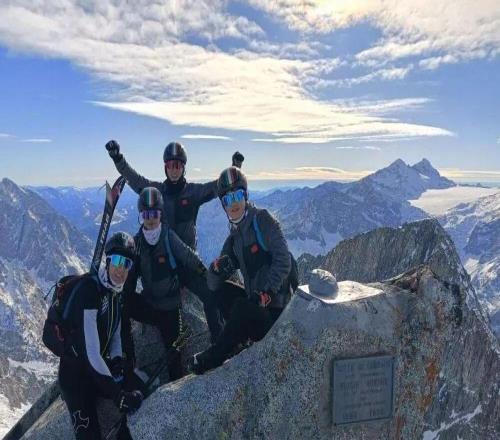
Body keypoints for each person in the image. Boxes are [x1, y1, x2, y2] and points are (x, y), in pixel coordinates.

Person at [189, 167, 293, 374]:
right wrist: (216, 271)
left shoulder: (263, 220)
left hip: (275, 314)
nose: (234, 203)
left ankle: (216, 355)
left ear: (245, 196)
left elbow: (284, 260)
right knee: (219, 293)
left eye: (237, 195)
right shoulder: (235, 236)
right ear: (223, 205)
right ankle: (237, 340)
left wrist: (266, 292)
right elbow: (213, 285)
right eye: (227, 199)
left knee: (242, 307)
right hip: (255, 308)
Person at [121, 187, 222, 380]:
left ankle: (175, 386)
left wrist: (205, 273)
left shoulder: (167, 236)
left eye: (154, 214)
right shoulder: (137, 243)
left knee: (174, 358)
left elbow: (188, 256)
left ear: (161, 214)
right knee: (122, 304)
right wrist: (123, 296)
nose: (151, 219)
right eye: (146, 214)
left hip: (169, 307)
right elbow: (130, 277)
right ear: (141, 216)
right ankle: (128, 365)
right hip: (150, 304)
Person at [58, 232, 142, 440]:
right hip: (75, 377)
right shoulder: (89, 291)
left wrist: (117, 361)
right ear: (108, 261)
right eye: (117, 261)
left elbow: (115, 334)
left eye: (127, 264)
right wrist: (117, 395)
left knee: (137, 393)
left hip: (95, 372)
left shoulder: (116, 293)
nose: (121, 269)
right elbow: (92, 353)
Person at [105, 140, 244, 250]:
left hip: (188, 262)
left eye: (177, 165)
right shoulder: (157, 192)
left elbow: (219, 186)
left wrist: (235, 168)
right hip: (163, 260)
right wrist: (118, 158)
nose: (174, 170)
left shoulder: (194, 192)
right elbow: (135, 180)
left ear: (183, 168)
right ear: (165, 167)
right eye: (170, 165)